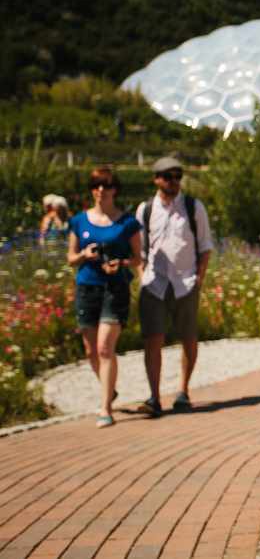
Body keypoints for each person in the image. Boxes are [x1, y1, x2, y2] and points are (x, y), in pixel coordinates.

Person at [136, 156, 214, 417]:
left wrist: (199, 278)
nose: (174, 181)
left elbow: (205, 247)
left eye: (178, 176)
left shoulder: (194, 207)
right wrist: (140, 275)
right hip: (154, 282)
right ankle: (154, 397)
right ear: (156, 179)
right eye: (168, 176)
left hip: (185, 282)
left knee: (189, 338)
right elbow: (138, 249)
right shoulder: (145, 210)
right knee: (153, 339)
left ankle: (183, 390)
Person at [66, 167, 142, 428]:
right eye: (96, 186)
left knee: (104, 348)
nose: (101, 191)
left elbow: (137, 259)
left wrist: (121, 263)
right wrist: (85, 255)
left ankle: (105, 408)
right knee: (90, 351)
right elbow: (70, 258)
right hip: (88, 287)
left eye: (106, 186)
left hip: (115, 288)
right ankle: (109, 388)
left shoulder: (128, 223)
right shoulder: (79, 221)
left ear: (114, 190)